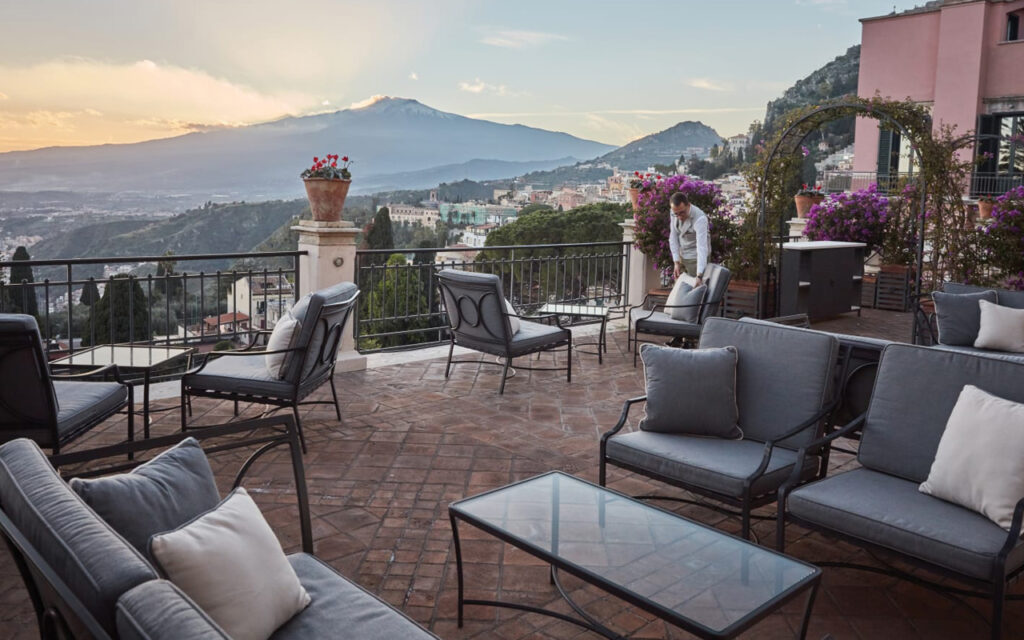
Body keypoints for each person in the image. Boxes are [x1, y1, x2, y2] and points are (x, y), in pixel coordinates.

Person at [668, 192, 710, 287]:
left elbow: (702, 248)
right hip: (683, 256)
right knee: (679, 289)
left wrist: (699, 275)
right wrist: (676, 261)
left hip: (697, 259)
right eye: (676, 214)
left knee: (695, 292)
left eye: (682, 212)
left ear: (689, 205)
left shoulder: (700, 219)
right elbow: (673, 236)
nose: (679, 217)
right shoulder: (673, 212)